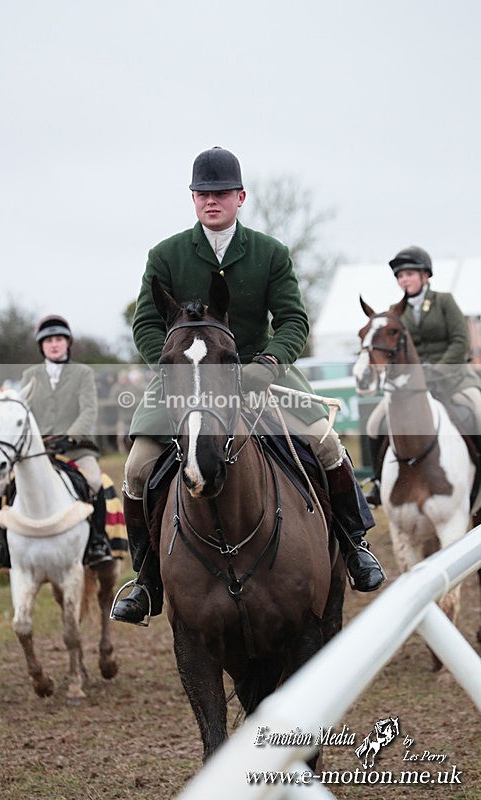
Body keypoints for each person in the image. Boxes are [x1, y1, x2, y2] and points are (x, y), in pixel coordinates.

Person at [111, 146, 385, 625]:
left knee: (325, 443)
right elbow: (146, 325)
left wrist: (268, 364)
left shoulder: (270, 252)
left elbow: (293, 320)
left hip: (261, 374)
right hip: (185, 377)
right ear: (192, 198)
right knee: (136, 469)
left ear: (240, 197)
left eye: (220, 193)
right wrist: (174, 367)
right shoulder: (165, 254)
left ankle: (354, 546)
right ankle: (147, 579)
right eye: (202, 193)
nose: (210, 200)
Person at [0, 315, 113, 570]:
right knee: (0, 484)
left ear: (68, 343)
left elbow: (88, 411)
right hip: (37, 450)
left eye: (59, 339)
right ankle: (0, 544)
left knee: (94, 481)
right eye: (48, 340)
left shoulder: (83, 373)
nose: (54, 344)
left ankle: (97, 541)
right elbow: (20, 412)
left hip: (76, 447)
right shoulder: (30, 374)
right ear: (42, 346)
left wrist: (70, 437)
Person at [364, 245, 481, 506]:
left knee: (479, 410)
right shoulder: (395, 310)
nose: (404, 280)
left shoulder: (444, 301)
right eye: (400, 276)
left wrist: (436, 370)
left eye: (409, 274)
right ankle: (379, 481)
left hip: (454, 379)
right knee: (373, 423)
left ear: (425, 275)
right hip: (412, 386)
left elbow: (460, 341)